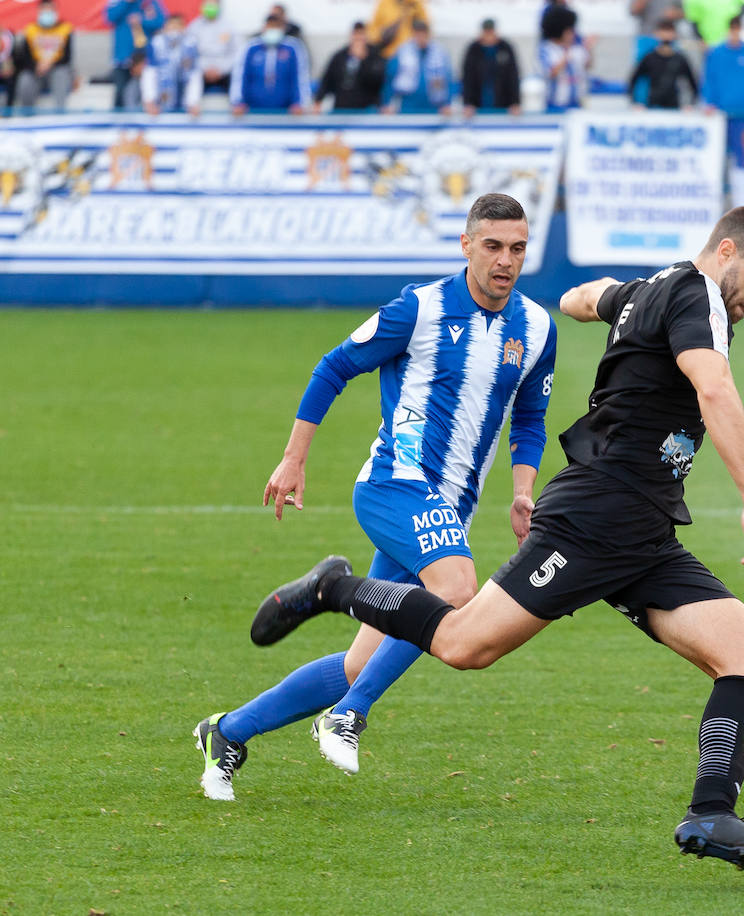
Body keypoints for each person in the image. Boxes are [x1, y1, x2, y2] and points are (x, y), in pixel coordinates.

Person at [249, 205, 744, 873]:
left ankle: (710, 814)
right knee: (461, 643)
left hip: (647, 531)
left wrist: (592, 305)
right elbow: (712, 386)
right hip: (596, 517)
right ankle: (336, 588)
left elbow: (585, 296)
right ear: (728, 250)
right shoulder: (697, 295)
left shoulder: (656, 288)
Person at [194, 193, 557, 795]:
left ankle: (230, 730)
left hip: (449, 509)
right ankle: (350, 714)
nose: (505, 261)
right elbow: (334, 367)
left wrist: (523, 492)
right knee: (457, 594)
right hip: (396, 484)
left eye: (517, 249)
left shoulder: (537, 327)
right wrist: (293, 459)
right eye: (492, 246)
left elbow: (531, 417)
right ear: (465, 244)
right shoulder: (421, 308)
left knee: (360, 661)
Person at [230, 11, 311, 115]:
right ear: (264, 28)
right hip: (253, 111)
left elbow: (301, 76)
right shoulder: (251, 48)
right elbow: (240, 76)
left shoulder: (293, 48)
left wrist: (300, 103)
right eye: (270, 26)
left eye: (276, 26)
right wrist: (238, 102)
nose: (273, 29)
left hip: (286, 111)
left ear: (283, 29)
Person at [13, 1, 76, 113]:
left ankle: (60, 113)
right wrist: (36, 67)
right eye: (44, 10)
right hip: (36, 69)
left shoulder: (66, 28)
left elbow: (67, 57)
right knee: (25, 80)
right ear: (39, 11)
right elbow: (25, 56)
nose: (47, 13)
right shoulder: (30, 29)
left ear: (55, 11)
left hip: (56, 68)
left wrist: (50, 64)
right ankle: (27, 115)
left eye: (49, 10)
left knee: (61, 75)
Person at [702, 15, 744, 118]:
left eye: (737, 29)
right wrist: (708, 102)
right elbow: (708, 79)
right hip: (719, 111)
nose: (735, 33)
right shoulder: (716, 53)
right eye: (732, 29)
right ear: (728, 30)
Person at [106, 0, 166, 110]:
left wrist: (142, 21)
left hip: (144, 58)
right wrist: (126, 2)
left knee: (145, 93)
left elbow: (161, 22)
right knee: (121, 93)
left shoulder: (151, 2)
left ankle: (143, 124)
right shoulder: (117, 1)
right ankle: (119, 124)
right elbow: (109, 18)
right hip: (122, 58)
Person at [628, 17, 698, 109]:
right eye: (663, 32)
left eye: (669, 32)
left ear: (675, 34)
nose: (666, 36)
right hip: (652, 105)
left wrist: (690, 104)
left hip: (674, 107)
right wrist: (635, 103)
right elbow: (634, 80)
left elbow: (692, 83)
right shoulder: (649, 58)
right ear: (657, 34)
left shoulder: (680, 59)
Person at [316, 21, 387, 112]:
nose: (358, 38)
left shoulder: (374, 55)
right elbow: (327, 80)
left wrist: (363, 60)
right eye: (356, 35)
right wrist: (318, 100)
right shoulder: (340, 56)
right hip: (342, 106)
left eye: (361, 35)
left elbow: (377, 82)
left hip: (366, 108)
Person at [383, 19, 452, 113]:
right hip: (408, 103)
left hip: (434, 104)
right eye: (417, 34)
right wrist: (387, 103)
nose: (421, 37)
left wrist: (447, 103)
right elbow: (390, 77)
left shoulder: (439, 52)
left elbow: (448, 79)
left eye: (423, 34)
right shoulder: (403, 51)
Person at [141, 13, 203, 115]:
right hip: (160, 102)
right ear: (165, 27)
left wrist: (193, 101)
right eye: (171, 25)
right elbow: (150, 73)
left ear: (183, 27)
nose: (174, 28)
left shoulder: (190, 44)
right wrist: (150, 99)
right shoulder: (156, 43)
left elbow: (194, 74)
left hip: (184, 102)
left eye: (177, 25)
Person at [461, 19, 521, 117]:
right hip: (478, 105)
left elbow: (513, 76)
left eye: (491, 31)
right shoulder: (473, 50)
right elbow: (467, 78)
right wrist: (468, 103)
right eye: (486, 32)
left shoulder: (505, 48)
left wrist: (515, 102)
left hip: (503, 104)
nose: (489, 35)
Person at [538, 20, 591, 112]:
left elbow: (588, 66)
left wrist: (588, 48)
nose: (573, 35)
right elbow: (550, 73)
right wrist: (565, 57)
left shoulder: (577, 48)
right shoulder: (546, 49)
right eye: (569, 32)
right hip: (555, 103)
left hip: (576, 103)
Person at [187, 0, 238, 92]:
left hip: (224, 70)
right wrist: (204, 69)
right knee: (189, 78)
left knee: (236, 79)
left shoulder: (229, 26)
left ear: (219, 6)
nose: (210, 6)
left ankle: (236, 105)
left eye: (213, 4)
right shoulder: (194, 26)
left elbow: (235, 52)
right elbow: (190, 53)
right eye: (208, 3)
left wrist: (221, 70)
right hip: (201, 70)